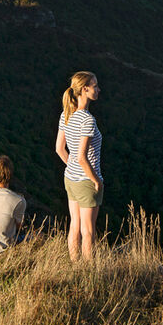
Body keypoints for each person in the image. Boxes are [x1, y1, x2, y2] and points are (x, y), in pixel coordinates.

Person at [55, 71, 103, 261]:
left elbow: (59, 148)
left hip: (70, 178)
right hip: (86, 181)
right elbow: (83, 157)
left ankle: (74, 265)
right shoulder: (88, 120)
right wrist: (95, 180)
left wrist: (72, 166)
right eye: (95, 86)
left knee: (74, 225)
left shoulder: (66, 114)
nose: (98, 89)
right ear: (85, 89)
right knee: (88, 231)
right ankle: (88, 271)